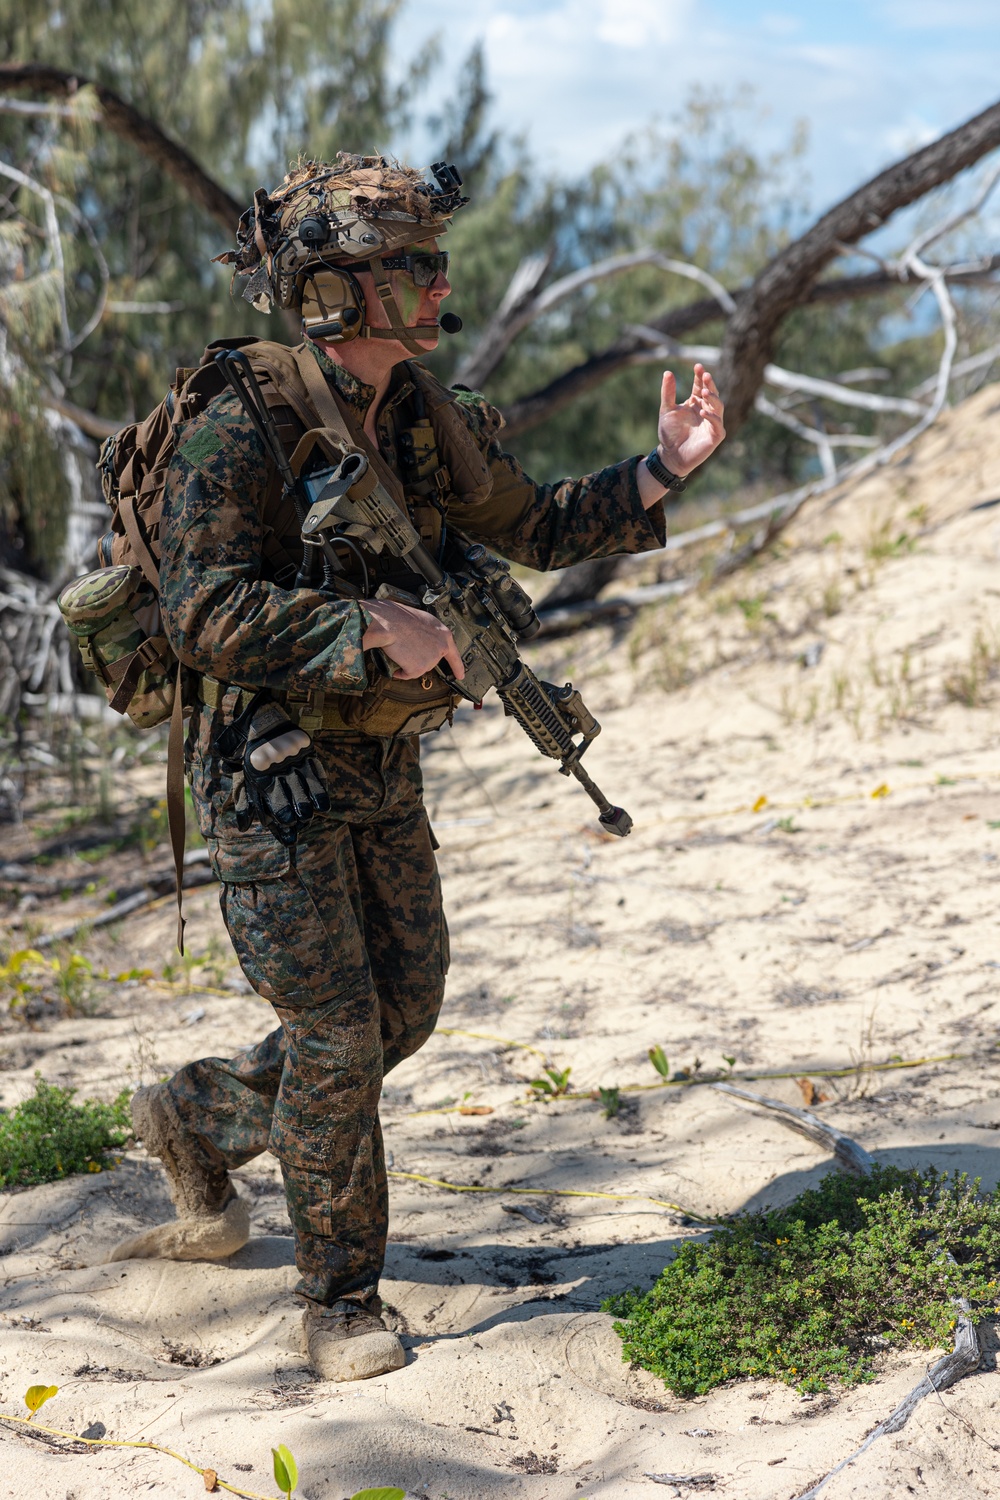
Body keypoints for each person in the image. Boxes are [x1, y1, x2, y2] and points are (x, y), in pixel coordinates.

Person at [109, 154, 725, 1382]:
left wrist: (661, 469)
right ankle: (338, 1303)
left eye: (432, 261)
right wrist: (365, 632)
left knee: (406, 1005)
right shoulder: (245, 418)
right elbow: (200, 611)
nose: (435, 283)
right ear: (331, 292)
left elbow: (534, 523)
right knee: (337, 1034)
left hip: (380, 761)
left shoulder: (419, 413)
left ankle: (197, 1115)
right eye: (408, 267)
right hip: (265, 769)